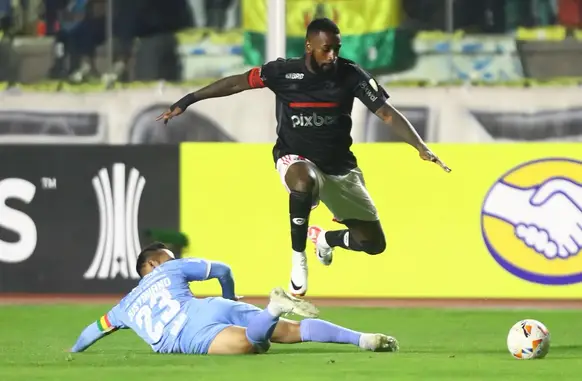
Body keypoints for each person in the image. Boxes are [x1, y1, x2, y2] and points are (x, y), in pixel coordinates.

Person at [156, 18, 451, 297]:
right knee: (302, 180)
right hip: (294, 157)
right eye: (326, 49)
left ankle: (325, 239)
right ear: (309, 46)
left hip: (339, 167)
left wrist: (420, 146)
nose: (333, 55)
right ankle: (298, 258)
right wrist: (188, 100)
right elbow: (236, 83)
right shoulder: (282, 72)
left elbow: (386, 113)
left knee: (373, 243)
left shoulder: (351, 74)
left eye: (337, 48)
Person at [69, 242, 399, 355]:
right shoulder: (172, 270)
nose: (172, 260)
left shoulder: (123, 308)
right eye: (167, 258)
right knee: (290, 333)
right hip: (212, 305)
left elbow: (92, 331)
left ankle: (272, 309)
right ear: (151, 265)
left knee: (252, 345)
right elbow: (223, 269)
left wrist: (73, 352)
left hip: (194, 334)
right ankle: (362, 339)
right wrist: (229, 300)